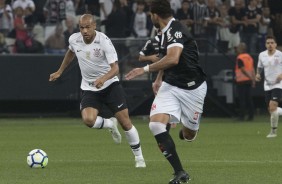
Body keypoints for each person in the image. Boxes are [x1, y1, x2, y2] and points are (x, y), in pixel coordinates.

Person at [49, 14, 146, 167]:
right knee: (88, 120)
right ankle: (109, 124)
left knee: (126, 122)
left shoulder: (104, 42)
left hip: (110, 85)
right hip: (89, 87)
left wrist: (103, 79)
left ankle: (139, 158)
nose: (85, 30)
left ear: (95, 26)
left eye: (88, 27)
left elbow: (115, 69)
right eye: (81, 27)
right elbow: (70, 52)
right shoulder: (74, 39)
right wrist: (60, 71)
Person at [126, 1, 207, 183]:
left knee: (189, 134)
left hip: (193, 88)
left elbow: (173, 58)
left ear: (155, 15)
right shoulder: (161, 33)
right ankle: (180, 172)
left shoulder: (176, 29)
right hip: (170, 85)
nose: (150, 17)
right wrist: (159, 78)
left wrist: (145, 70)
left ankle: (190, 128)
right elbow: (165, 58)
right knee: (155, 125)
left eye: (150, 14)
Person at [255, 35, 282, 138]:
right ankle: (273, 131)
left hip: (278, 84)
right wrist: (257, 74)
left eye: (272, 43)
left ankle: (273, 132)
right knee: (271, 110)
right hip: (267, 85)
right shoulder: (262, 55)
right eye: (268, 43)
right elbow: (259, 67)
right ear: (265, 45)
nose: (270, 45)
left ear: (275, 44)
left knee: (272, 106)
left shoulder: (280, 55)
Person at [235, 42, 255, 121]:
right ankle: (251, 116)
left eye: (238, 48)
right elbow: (252, 69)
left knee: (242, 99)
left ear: (241, 49)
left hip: (241, 81)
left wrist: (249, 77)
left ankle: (241, 116)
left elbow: (242, 69)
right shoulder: (249, 57)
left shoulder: (240, 57)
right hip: (248, 81)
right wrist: (253, 79)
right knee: (249, 99)